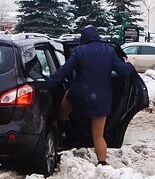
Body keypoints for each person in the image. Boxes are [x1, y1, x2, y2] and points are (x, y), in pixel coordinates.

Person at [50, 24, 137, 166]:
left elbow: (64, 71)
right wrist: (129, 64)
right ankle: (102, 162)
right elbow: (123, 71)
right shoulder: (109, 51)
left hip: (80, 95)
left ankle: (62, 123)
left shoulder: (78, 51)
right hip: (101, 99)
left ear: (84, 38)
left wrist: (49, 83)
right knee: (98, 134)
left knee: (67, 95)